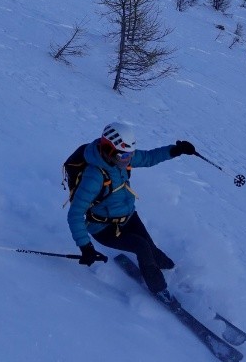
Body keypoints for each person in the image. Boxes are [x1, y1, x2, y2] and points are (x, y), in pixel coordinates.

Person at [68, 123, 196, 295]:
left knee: (151, 248)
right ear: (108, 150)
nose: (128, 159)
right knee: (142, 246)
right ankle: (160, 290)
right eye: (124, 155)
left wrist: (175, 150)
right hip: (104, 228)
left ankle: (169, 270)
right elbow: (75, 214)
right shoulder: (94, 176)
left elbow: (148, 157)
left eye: (130, 154)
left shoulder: (121, 158)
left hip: (128, 217)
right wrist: (86, 247)